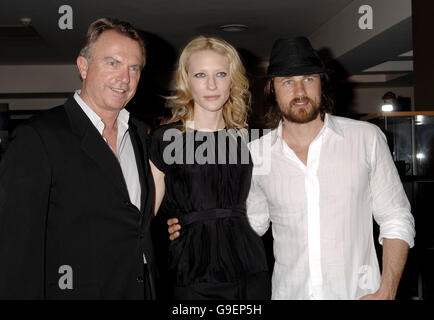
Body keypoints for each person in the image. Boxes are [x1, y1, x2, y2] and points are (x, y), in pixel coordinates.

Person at [169, 37, 416, 300]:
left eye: (308, 79)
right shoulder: (257, 153)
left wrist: (387, 291)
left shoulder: (366, 138)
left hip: (357, 294)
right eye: (287, 82)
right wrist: (193, 221)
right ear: (272, 90)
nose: (299, 91)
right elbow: (248, 223)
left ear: (322, 83)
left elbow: (396, 218)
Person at [0, 18, 157, 299]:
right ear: (83, 67)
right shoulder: (38, 137)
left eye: (134, 68)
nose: (124, 77)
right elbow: (15, 250)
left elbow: (137, 228)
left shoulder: (139, 135)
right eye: (112, 63)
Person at [149, 36, 271, 300]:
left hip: (249, 268)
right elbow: (144, 215)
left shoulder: (249, 140)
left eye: (221, 74)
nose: (212, 84)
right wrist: (164, 228)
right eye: (201, 74)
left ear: (232, 80)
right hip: (190, 270)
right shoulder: (166, 139)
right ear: (186, 80)